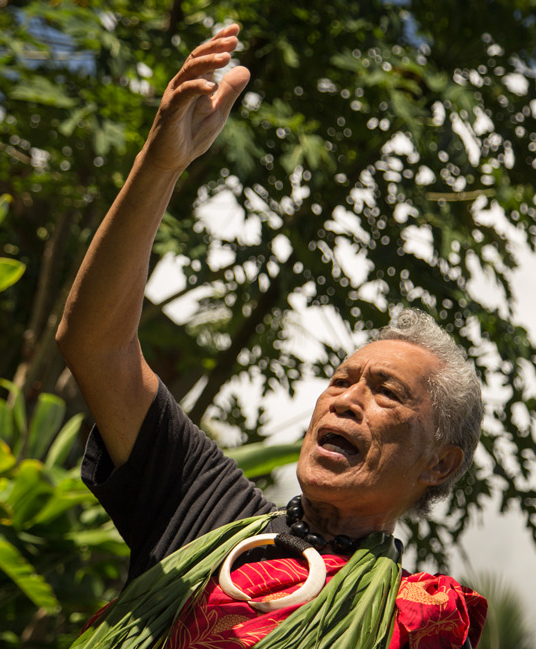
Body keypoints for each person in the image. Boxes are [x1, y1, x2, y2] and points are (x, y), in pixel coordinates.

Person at [55, 23, 487, 649]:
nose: (345, 398)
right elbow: (95, 345)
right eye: (341, 379)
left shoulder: (417, 620)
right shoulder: (204, 508)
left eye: (386, 392)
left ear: (442, 462)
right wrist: (160, 164)